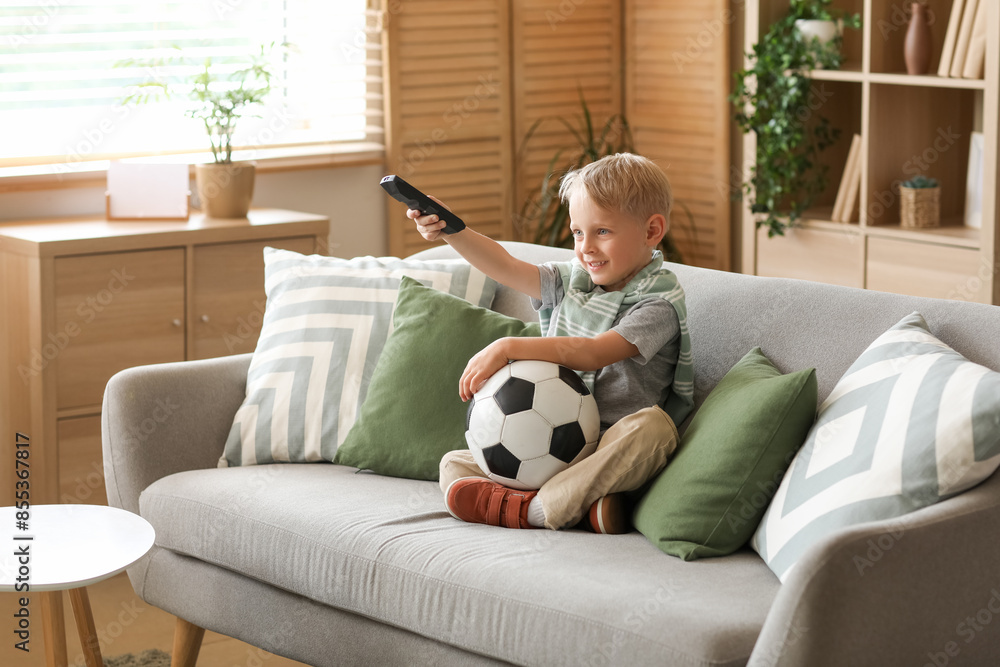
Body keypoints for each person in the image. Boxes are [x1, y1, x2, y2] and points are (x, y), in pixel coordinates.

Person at [407, 152, 694, 534]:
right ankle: (577, 504)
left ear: (651, 231)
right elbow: (506, 267)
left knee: (653, 431)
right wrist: (450, 229)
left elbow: (593, 354)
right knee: (454, 463)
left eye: (602, 232)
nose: (585, 247)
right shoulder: (570, 281)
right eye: (578, 232)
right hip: (547, 442)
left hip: (607, 447)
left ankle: (538, 509)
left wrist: (508, 347)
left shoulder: (657, 305)